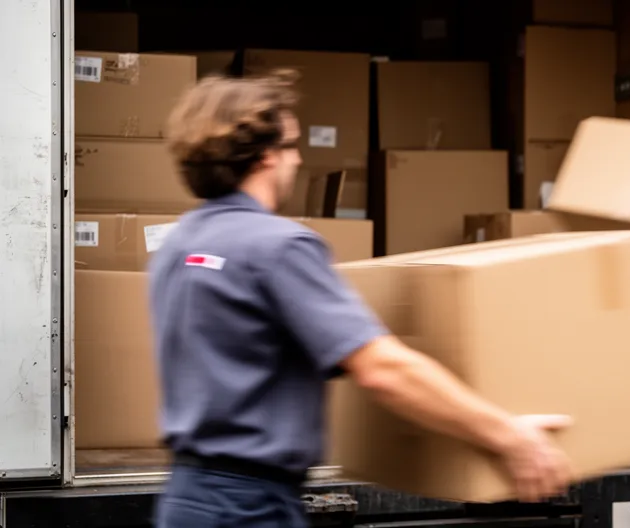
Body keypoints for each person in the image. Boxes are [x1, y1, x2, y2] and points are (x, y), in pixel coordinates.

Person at [148, 69, 573, 528]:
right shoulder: (280, 245)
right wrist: (508, 436)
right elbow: (383, 369)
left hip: (187, 500)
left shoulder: (179, 244)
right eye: (292, 145)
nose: (298, 159)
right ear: (266, 156)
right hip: (249, 507)